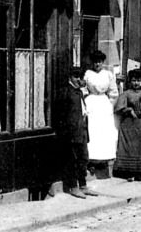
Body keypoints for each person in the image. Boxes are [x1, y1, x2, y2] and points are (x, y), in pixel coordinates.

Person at [59, 67, 99, 198]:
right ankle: (73, 187)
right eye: (75, 77)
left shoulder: (79, 93)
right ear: (70, 78)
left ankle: (83, 185)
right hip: (71, 132)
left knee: (83, 159)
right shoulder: (65, 92)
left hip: (81, 130)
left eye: (80, 77)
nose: (78, 80)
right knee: (72, 160)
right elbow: (61, 114)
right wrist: (65, 131)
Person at [83, 50, 118, 178]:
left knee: (104, 131)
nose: (97, 64)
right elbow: (83, 90)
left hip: (104, 103)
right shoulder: (87, 74)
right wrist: (86, 103)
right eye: (95, 62)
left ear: (103, 62)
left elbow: (114, 92)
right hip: (91, 102)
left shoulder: (108, 75)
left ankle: (103, 161)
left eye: (100, 62)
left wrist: (110, 105)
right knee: (92, 131)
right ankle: (91, 160)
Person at [113, 69, 141, 181]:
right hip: (128, 123)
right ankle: (129, 172)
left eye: (138, 80)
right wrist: (128, 109)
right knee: (130, 146)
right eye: (134, 80)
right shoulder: (126, 93)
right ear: (130, 81)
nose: (136, 83)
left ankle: (140, 172)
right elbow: (118, 108)